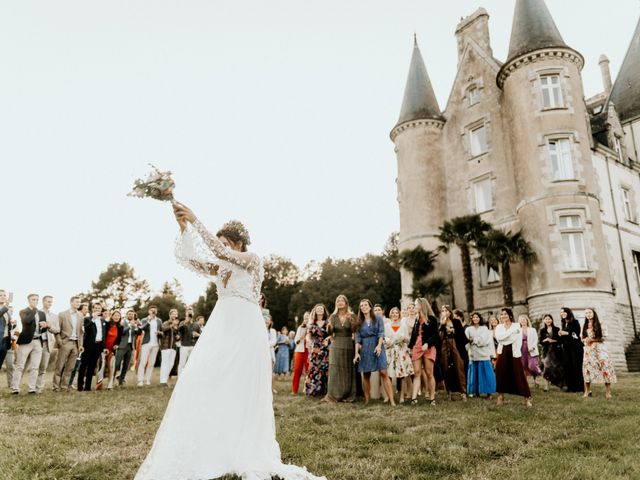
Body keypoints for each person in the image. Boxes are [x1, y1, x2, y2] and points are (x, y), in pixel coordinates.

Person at [135, 202, 325, 480]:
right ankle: (217, 438)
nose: (220, 247)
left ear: (238, 243)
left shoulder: (252, 260)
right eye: (220, 241)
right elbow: (191, 260)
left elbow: (218, 250)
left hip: (245, 325)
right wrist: (184, 228)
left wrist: (196, 219)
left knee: (240, 380)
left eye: (225, 242)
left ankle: (242, 443)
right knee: (205, 376)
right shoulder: (221, 267)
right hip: (221, 325)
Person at [354, 299, 395, 406]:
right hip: (365, 348)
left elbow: (381, 333)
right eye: (361, 306)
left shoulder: (378, 318)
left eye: (365, 305)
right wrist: (356, 353)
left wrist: (379, 346)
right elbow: (357, 339)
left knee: (383, 372)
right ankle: (367, 400)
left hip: (378, 345)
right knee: (366, 374)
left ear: (370, 307)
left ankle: (392, 400)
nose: (363, 307)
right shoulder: (358, 322)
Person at [494, 308, 532, 407]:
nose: (503, 316)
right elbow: (499, 339)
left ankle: (526, 398)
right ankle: (501, 396)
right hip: (502, 352)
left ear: (510, 315)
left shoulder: (516, 326)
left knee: (519, 374)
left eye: (505, 314)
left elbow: (515, 339)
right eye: (501, 314)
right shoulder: (499, 327)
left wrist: (506, 336)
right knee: (501, 373)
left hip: (514, 352)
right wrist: (510, 333)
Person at [323, 295, 357, 403]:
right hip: (336, 344)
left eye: (342, 301)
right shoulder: (332, 317)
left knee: (347, 369)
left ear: (346, 303)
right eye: (338, 301)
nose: (340, 302)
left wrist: (353, 323)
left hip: (348, 344)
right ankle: (333, 395)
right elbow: (330, 333)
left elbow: (355, 330)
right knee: (335, 369)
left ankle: (348, 394)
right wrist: (329, 328)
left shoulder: (352, 315)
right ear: (336, 304)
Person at [11, 294, 46, 394]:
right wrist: (34, 310)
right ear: (28, 300)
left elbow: (43, 330)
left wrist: (45, 326)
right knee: (20, 366)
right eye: (33, 299)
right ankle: (15, 388)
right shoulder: (23, 311)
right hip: (26, 342)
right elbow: (26, 321)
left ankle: (31, 388)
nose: (35, 301)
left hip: (38, 341)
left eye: (37, 300)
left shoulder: (41, 313)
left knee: (35, 367)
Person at [408, 298, 439, 406]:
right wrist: (410, 347)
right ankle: (414, 398)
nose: (414, 306)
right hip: (417, 348)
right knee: (417, 372)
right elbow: (414, 335)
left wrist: (428, 343)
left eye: (416, 304)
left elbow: (435, 335)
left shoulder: (432, 319)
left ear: (421, 305)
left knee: (429, 373)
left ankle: (432, 398)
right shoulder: (417, 319)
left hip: (428, 348)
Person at [581, 308, 616, 399]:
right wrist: (585, 339)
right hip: (588, 350)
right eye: (586, 313)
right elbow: (582, 337)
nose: (588, 314)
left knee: (605, 367)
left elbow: (604, 337)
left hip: (599, 349)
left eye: (590, 312)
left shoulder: (601, 323)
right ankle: (587, 391)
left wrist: (592, 340)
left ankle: (608, 392)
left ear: (593, 313)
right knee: (587, 369)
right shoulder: (585, 325)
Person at [53, 296, 84, 392]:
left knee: (70, 367)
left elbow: (80, 332)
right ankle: (55, 387)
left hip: (76, 344)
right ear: (71, 302)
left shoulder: (80, 315)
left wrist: (81, 345)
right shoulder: (62, 314)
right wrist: (59, 341)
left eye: (79, 302)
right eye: (76, 302)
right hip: (65, 342)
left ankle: (64, 387)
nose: (78, 303)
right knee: (60, 366)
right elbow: (57, 330)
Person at [384, 307, 413, 403]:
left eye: (397, 313)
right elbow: (384, 337)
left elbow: (408, 339)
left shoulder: (403, 325)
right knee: (389, 374)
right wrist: (386, 341)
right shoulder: (387, 326)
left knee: (402, 375)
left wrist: (403, 338)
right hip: (390, 352)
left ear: (399, 314)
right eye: (393, 313)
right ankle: (390, 395)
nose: (395, 314)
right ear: (390, 315)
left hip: (401, 352)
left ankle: (401, 397)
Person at [439, 307, 468, 401]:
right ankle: (449, 393)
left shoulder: (456, 322)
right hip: (444, 346)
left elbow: (462, 336)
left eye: (446, 310)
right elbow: (439, 337)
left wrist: (453, 331)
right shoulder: (440, 323)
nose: (445, 312)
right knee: (446, 368)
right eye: (443, 311)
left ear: (450, 312)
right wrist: (442, 325)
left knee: (459, 368)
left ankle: (463, 392)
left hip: (455, 346)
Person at [465, 312, 496, 398]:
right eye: (474, 317)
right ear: (471, 319)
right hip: (473, 355)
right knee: (474, 375)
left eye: (477, 317)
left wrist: (474, 340)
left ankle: (489, 393)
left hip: (483, 354)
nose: (475, 319)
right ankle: (475, 392)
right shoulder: (468, 329)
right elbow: (466, 341)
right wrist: (471, 341)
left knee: (486, 374)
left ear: (480, 318)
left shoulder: (484, 328)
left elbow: (484, 341)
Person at [78, 302, 107, 392]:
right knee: (83, 366)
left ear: (101, 310)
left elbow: (104, 334)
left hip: (98, 346)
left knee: (92, 367)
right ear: (92, 309)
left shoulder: (103, 321)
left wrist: (103, 346)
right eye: (96, 308)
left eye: (99, 308)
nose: (97, 310)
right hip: (88, 346)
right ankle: (80, 386)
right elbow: (86, 329)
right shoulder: (87, 319)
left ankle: (87, 387)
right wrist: (93, 320)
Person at [305, 304, 330, 398]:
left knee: (325, 368)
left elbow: (332, 334)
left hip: (325, 347)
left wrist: (328, 339)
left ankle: (325, 391)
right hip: (315, 348)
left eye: (321, 309)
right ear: (315, 311)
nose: (319, 310)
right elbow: (308, 336)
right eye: (318, 309)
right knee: (314, 369)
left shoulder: (328, 322)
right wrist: (310, 344)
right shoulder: (311, 323)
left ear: (324, 311)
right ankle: (312, 390)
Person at [36, 295, 60, 393]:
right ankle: (31, 387)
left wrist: (50, 326)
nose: (49, 304)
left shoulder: (54, 316)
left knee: (43, 367)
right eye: (48, 301)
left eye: (51, 302)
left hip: (47, 343)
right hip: (37, 341)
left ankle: (39, 388)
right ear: (43, 302)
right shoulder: (37, 313)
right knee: (34, 366)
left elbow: (57, 330)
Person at [559, 307, 584, 392]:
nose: (562, 313)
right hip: (566, 348)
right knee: (568, 367)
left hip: (575, 347)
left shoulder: (575, 322)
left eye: (563, 312)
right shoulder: (563, 323)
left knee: (576, 366)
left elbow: (576, 334)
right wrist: (560, 335)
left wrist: (566, 333)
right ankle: (571, 387)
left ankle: (579, 387)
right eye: (561, 312)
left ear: (568, 312)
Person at [137, 306, 163, 387]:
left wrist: (160, 333)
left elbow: (162, 331)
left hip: (155, 344)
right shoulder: (144, 320)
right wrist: (149, 321)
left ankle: (147, 379)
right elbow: (142, 328)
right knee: (143, 362)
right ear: (149, 311)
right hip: (146, 343)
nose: (153, 312)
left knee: (151, 363)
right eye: (152, 310)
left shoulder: (159, 321)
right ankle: (140, 380)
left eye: (155, 311)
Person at [539, 314, 563, 391]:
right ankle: (546, 386)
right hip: (546, 352)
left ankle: (559, 384)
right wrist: (545, 340)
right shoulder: (542, 330)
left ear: (552, 320)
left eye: (549, 319)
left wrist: (552, 340)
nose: (548, 320)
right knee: (546, 367)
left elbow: (560, 341)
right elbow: (540, 342)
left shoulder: (556, 329)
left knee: (556, 368)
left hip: (555, 351)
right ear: (544, 321)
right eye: (546, 319)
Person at [114, 310, 139, 386]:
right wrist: (129, 326)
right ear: (127, 315)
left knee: (127, 364)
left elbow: (137, 334)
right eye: (129, 314)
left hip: (130, 346)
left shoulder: (134, 324)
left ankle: (121, 380)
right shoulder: (122, 322)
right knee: (117, 363)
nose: (131, 315)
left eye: (132, 314)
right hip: (122, 345)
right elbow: (122, 332)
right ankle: (111, 378)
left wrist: (136, 327)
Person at [518, 314, 541, 386]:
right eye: (521, 320)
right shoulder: (518, 330)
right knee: (523, 366)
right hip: (521, 350)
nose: (523, 321)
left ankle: (536, 378)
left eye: (524, 320)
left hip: (531, 349)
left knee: (532, 366)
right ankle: (525, 383)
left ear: (527, 321)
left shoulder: (532, 330)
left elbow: (535, 339)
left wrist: (533, 347)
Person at [104, 310, 124, 390]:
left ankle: (110, 385)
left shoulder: (120, 327)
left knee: (111, 367)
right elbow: (104, 336)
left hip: (112, 349)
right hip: (104, 348)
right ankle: (99, 385)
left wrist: (116, 345)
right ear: (112, 316)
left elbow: (119, 339)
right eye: (115, 315)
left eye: (118, 316)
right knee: (101, 367)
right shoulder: (107, 324)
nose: (116, 317)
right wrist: (104, 347)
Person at [160, 309, 180, 386]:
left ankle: (165, 379)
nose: (175, 315)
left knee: (171, 364)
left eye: (176, 314)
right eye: (173, 314)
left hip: (173, 347)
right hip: (166, 347)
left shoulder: (176, 325)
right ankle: (162, 381)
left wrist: (178, 336)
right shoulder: (166, 323)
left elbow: (176, 335)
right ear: (170, 315)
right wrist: (172, 325)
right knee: (165, 363)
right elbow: (164, 329)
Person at [291, 312, 310, 395]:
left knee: (308, 370)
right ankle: (294, 390)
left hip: (308, 350)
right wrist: (300, 339)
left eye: (308, 318)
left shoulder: (313, 328)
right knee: (297, 369)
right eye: (305, 318)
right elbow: (296, 340)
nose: (307, 319)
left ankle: (308, 389)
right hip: (300, 350)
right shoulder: (300, 327)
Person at [178, 308, 200, 375]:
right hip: (184, 346)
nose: (190, 314)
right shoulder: (182, 323)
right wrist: (186, 322)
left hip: (193, 346)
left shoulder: (196, 324)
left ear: (193, 314)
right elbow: (179, 329)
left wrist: (197, 334)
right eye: (188, 312)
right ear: (186, 314)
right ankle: (179, 378)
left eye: (191, 312)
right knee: (182, 363)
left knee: (192, 363)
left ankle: (190, 377)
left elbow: (202, 335)